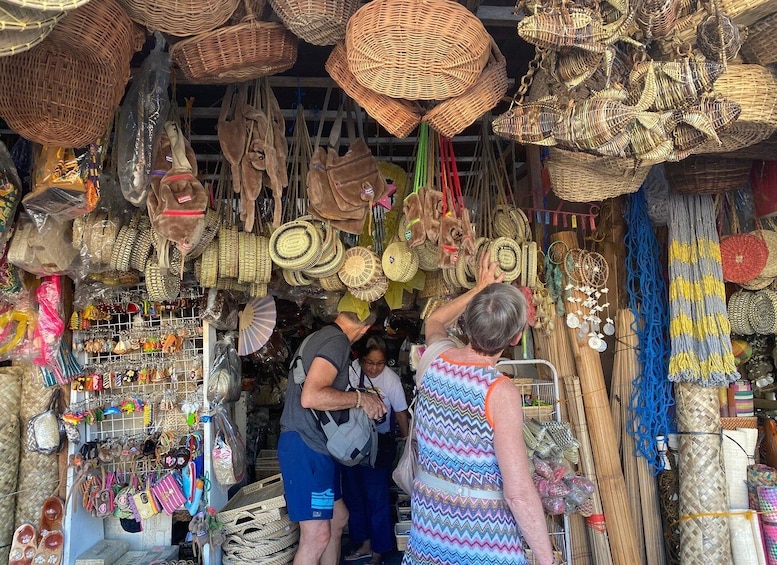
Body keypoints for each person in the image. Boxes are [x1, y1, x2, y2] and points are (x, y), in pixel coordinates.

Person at [402, 252, 558, 565]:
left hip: (429, 531)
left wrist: (479, 288)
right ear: (515, 338)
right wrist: (545, 557)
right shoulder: (499, 392)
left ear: (468, 322)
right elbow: (517, 492)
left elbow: (435, 320)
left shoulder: (433, 361)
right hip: (483, 541)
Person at [278, 309, 388, 565]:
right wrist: (362, 399)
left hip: (313, 447)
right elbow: (312, 397)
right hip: (306, 447)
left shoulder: (320, 336)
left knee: (338, 519)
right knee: (316, 536)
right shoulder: (337, 342)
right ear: (364, 330)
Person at [343, 336, 410, 565]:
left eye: (379, 363)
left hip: (380, 443)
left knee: (376, 495)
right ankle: (363, 543)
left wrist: (407, 439)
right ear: (360, 359)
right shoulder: (351, 371)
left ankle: (379, 549)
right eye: (369, 362)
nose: (373, 368)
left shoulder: (390, 380)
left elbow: (400, 412)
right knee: (353, 494)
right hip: (352, 441)